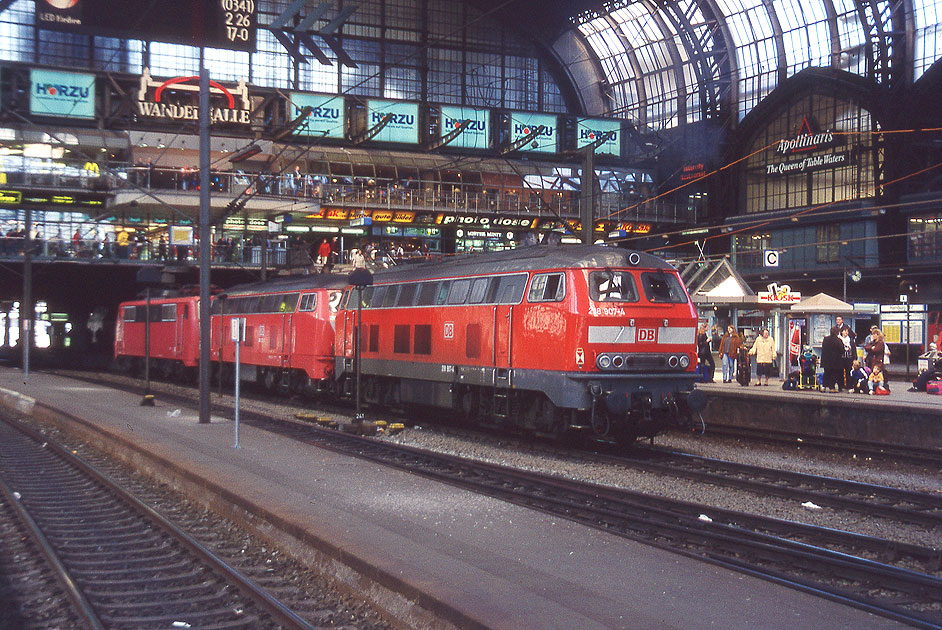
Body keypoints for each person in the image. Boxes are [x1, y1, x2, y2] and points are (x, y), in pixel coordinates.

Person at [820, 325, 845, 392]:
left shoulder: (825, 339)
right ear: (837, 332)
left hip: (826, 360)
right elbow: (842, 350)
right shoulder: (838, 340)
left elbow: (823, 349)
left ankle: (823, 386)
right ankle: (831, 388)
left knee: (826, 373)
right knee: (833, 374)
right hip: (835, 361)